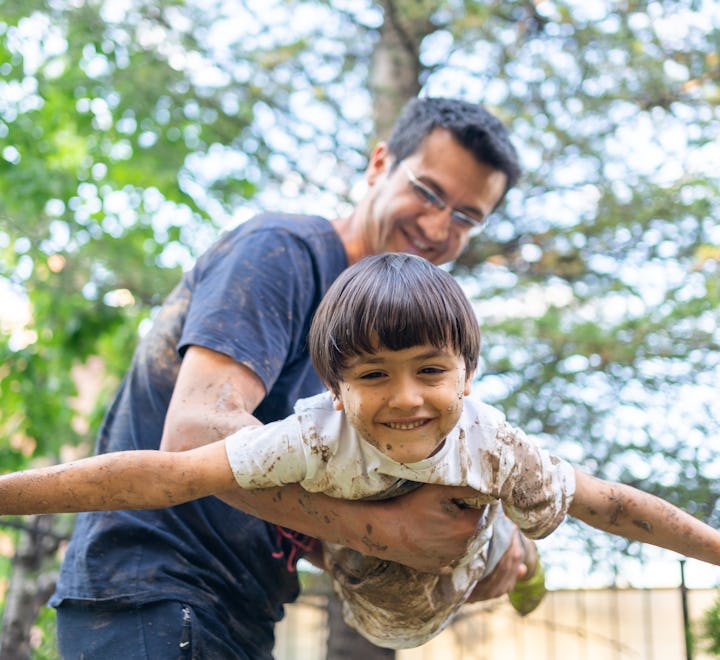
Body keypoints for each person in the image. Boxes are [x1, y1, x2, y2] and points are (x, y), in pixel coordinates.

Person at [1, 254, 720, 650]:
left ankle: (522, 550)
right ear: (333, 383)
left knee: (516, 523)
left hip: (468, 550)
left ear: (468, 373)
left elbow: (615, 505)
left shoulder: (492, 442)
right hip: (374, 590)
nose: (405, 399)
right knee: (332, 513)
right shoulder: (314, 435)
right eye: (373, 376)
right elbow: (166, 473)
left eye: (431, 371)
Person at [39, 97, 528, 659]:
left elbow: (315, 497)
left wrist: (458, 551)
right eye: (429, 192)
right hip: (157, 593)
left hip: (239, 611)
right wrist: (386, 531)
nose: (439, 226)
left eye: (467, 217)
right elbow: (196, 433)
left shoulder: (374, 351)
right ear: (379, 164)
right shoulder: (282, 253)